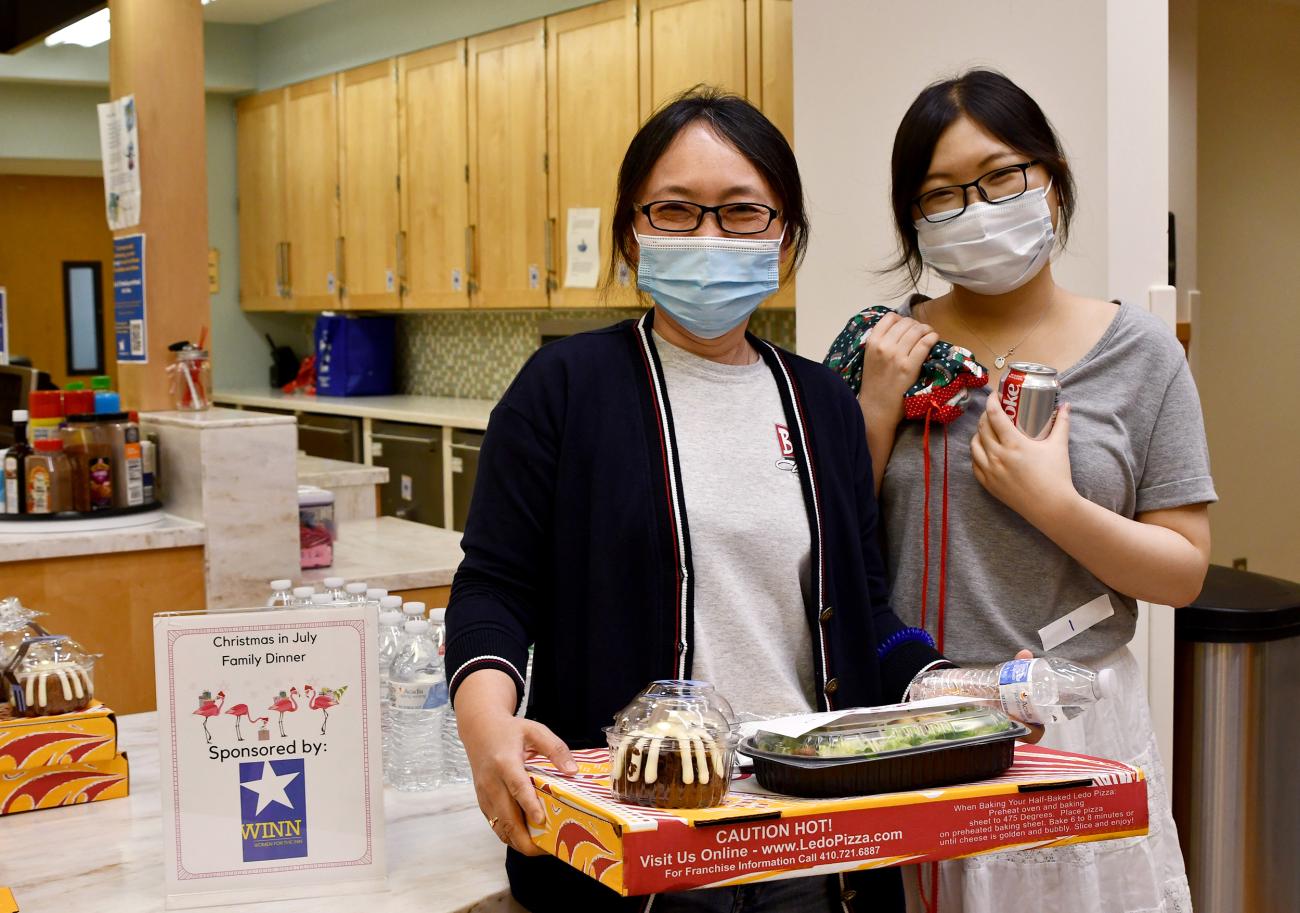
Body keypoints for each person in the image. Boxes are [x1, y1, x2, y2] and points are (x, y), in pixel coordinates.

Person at [446, 87, 959, 913]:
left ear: (784, 235)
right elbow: (495, 586)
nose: (710, 236)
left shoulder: (823, 403)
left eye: (741, 213)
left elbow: (863, 606)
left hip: (814, 840)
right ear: (631, 232)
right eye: (677, 211)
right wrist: (485, 723)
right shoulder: (566, 388)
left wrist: (952, 691)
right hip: (632, 840)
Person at [846, 69, 1214, 913]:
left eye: (1001, 175)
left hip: (1072, 724)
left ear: (1050, 178)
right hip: (914, 723)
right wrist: (873, 410)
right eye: (941, 194)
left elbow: (1182, 572)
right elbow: (827, 544)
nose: (976, 208)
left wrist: (1053, 503)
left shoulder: (1143, 356)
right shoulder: (884, 347)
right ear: (913, 220)